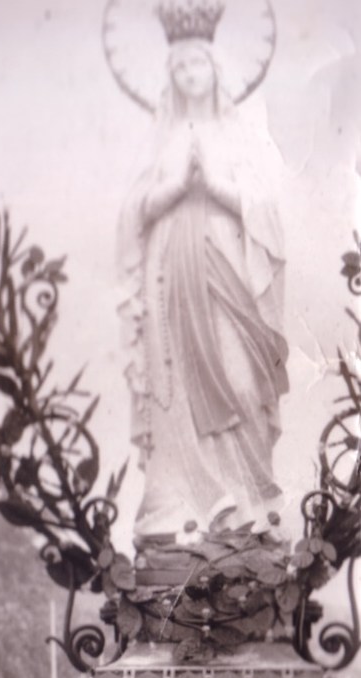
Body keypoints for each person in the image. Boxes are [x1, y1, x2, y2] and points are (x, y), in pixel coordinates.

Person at [119, 26, 287, 544]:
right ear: (171, 78)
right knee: (180, 390)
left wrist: (212, 185)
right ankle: (188, 507)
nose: (191, 75)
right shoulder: (163, 139)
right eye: (180, 68)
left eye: (198, 65)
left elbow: (267, 209)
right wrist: (174, 189)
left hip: (227, 271)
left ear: (216, 69)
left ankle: (251, 504)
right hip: (170, 277)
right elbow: (134, 211)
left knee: (239, 379)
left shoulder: (239, 136)